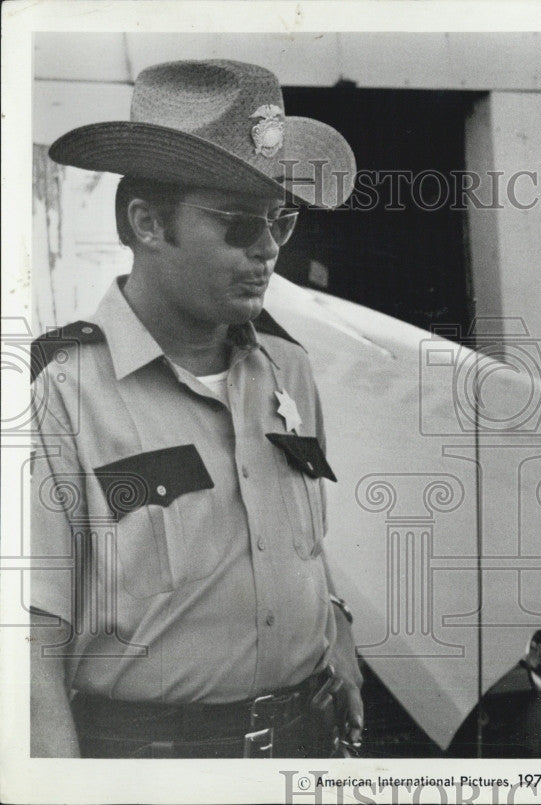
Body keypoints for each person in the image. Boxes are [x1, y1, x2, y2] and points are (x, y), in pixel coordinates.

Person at [29, 59, 363, 758]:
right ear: (148, 223)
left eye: (282, 221)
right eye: (240, 225)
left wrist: (337, 627)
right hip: (155, 764)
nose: (269, 251)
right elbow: (29, 651)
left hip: (308, 740)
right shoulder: (58, 393)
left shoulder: (287, 369)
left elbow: (303, 545)